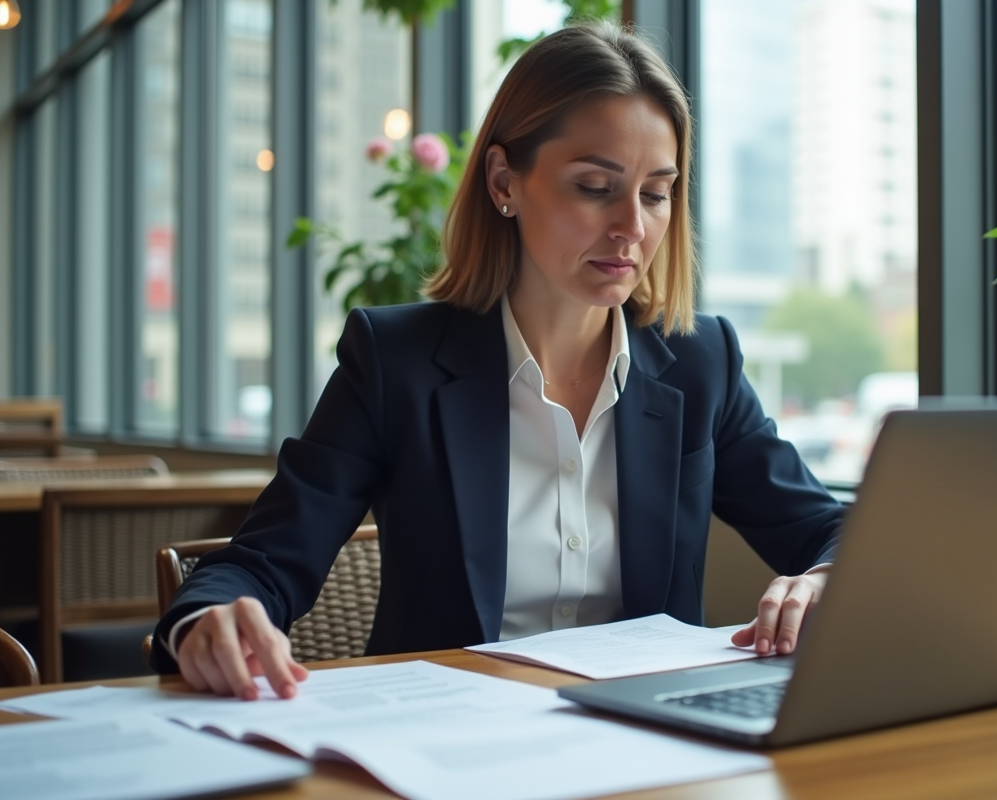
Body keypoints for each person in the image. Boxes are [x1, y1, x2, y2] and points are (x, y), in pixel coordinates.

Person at [150, 21, 844, 701]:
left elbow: (832, 530)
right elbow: (263, 561)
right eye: (595, 187)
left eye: (656, 193)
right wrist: (206, 621)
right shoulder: (399, 364)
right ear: (504, 180)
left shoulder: (700, 363)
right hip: (445, 747)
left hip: (645, 751)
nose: (633, 226)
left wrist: (822, 578)